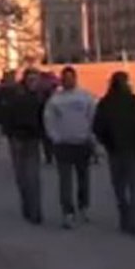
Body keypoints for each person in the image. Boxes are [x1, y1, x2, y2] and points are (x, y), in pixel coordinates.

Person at [93, 71, 135, 236]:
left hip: (115, 151)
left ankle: (124, 215)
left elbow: (97, 127)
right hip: (133, 150)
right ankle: (134, 222)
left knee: (119, 187)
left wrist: (107, 143)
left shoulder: (105, 103)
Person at [44, 66, 97, 229]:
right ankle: (67, 212)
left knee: (84, 178)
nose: (68, 81)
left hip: (82, 143)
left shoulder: (86, 97)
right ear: (61, 80)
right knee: (65, 180)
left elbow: (93, 117)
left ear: (75, 78)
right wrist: (55, 137)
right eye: (65, 78)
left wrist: (91, 137)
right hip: (63, 145)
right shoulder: (55, 100)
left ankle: (83, 207)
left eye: (71, 77)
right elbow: (48, 120)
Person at [3, 70, 47, 225]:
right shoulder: (25, 97)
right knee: (25, 176)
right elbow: (8, 116)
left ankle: (33, 210)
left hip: (28, 139)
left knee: (29, 176)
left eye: (36, 80)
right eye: (31, 80)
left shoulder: (38, 97)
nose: (34, 83)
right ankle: (30, 208)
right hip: (20, 138)